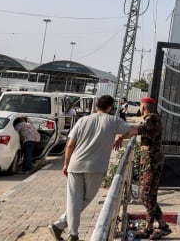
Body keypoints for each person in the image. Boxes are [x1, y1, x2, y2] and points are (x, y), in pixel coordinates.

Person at [49, 95, 136, 241]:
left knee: (73, 199)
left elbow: (70, 145)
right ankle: (63, 228)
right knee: (86, 198)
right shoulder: (114, 121)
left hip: (75, 165)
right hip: (96, 167)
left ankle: (69, 231)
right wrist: (121, 137)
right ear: (110, 107)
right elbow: (133, 130)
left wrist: (66, 164)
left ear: (96, 106)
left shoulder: (83, 120)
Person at [115, 96, 172, 239]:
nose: (140, 109)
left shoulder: (152, 118)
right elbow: (137, 130)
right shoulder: (152, 118)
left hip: (152, 162)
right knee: (149, 196)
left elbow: (137, 129)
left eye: (140, 106)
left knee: (146, 196)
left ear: (143, 107)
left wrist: (121, 135)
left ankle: (152, 228)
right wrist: (123, 136)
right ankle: (160, 226)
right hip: (149, 162)